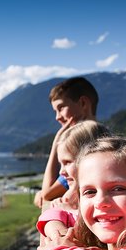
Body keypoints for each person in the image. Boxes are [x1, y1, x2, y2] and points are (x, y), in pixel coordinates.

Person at [34, 76, 99, 209]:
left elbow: (47, 193)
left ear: (83, 103)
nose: (57, 117)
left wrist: (56, 142)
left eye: (61, 107)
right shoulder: (104, 136)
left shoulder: (88, 144)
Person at [39, 120, 111, 239]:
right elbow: (50, 216)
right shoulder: (68, 200)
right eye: (61, 164)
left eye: (67, 162)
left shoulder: (105, 201)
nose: (61, 172)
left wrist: (70, 212)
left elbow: (96, 237)